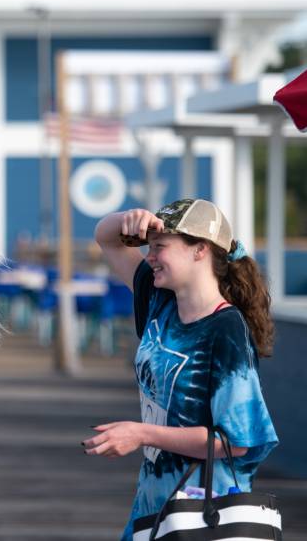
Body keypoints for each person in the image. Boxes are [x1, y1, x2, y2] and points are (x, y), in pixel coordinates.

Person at [84, 199, 278, 541]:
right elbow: (106, 237)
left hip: (207, 513)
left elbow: (236, 442)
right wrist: (129, 218)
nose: (149, 257)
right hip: (154, 506)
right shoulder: (160, 301)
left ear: (200, 250)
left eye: (159, 247)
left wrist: (142, 433)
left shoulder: (226, 329)